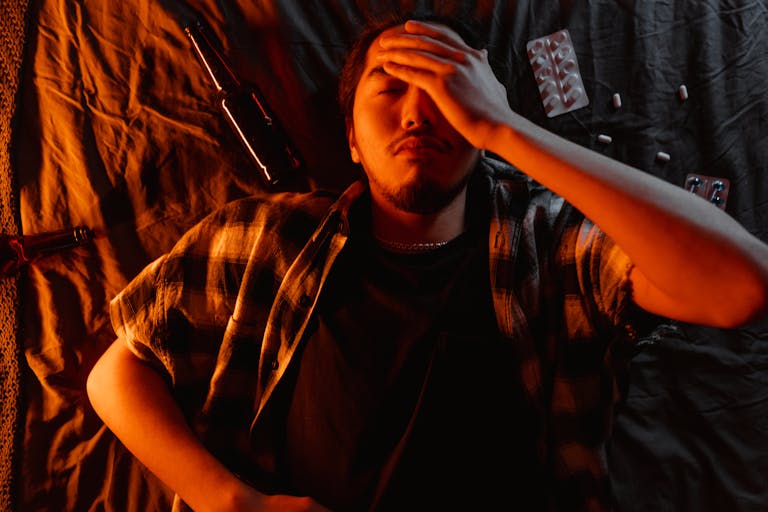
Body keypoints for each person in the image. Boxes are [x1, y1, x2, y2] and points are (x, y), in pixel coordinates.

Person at [87, 11, 768, 512]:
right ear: (351, 138)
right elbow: (116, 372)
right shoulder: (265, 236)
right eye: (389, 88)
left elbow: (740, 286)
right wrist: (230, 501)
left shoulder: (551, 243)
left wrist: (506, 130)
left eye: (447, 91)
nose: (419, 113)